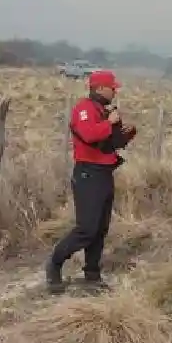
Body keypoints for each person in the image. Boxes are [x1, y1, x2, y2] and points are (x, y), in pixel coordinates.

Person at [45, 69, 137, 294]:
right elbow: (88, 135)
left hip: (104, 173)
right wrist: (109, 123)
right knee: (86, 229)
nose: (115, 91)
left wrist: (127, 133)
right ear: (100, 88)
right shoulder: (84, 109)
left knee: (100, 228)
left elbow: (110, 143)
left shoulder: (105, 110)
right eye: (112, 88)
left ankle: (92, 275)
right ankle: (55, 263)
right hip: (88, 174)